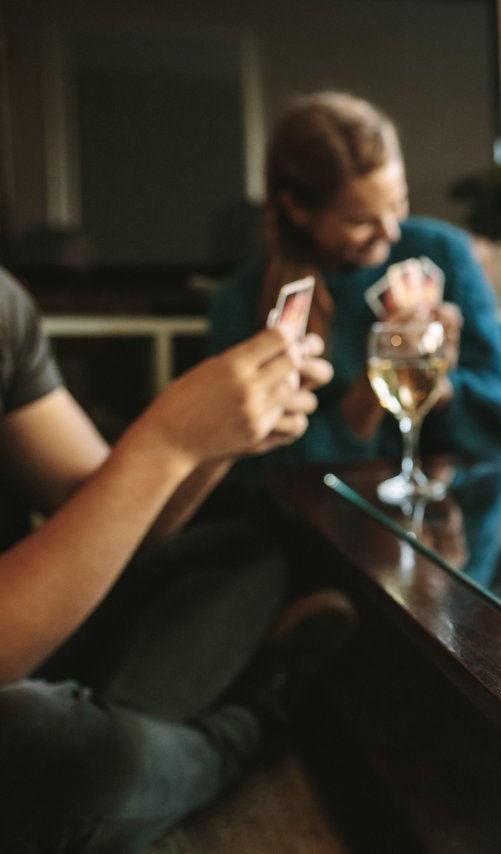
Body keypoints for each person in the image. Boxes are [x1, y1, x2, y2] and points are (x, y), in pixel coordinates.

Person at [0, 264, 348, 851]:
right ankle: (245, 723)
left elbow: (103, 512)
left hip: (32, 627)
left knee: (241, 553)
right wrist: (166, 441)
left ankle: (116, 741)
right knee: (34, 744)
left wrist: (214, 443)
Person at [210, 92, 501, 472]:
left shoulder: (444, 254)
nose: (391, 232)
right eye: (361, 221)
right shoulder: (243, 301)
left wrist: (435, 386)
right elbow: (253, 476)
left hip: (444, 512)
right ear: (296, 208)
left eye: (398, 204)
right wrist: (372, 390)